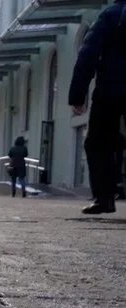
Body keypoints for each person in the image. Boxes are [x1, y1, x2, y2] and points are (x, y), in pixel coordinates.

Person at [69, 0, 126, 215]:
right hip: (110, 88)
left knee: (98, 144)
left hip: (110, 90)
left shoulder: (109, 15)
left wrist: (78, 94)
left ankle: (104, 199)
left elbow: (87, 55)